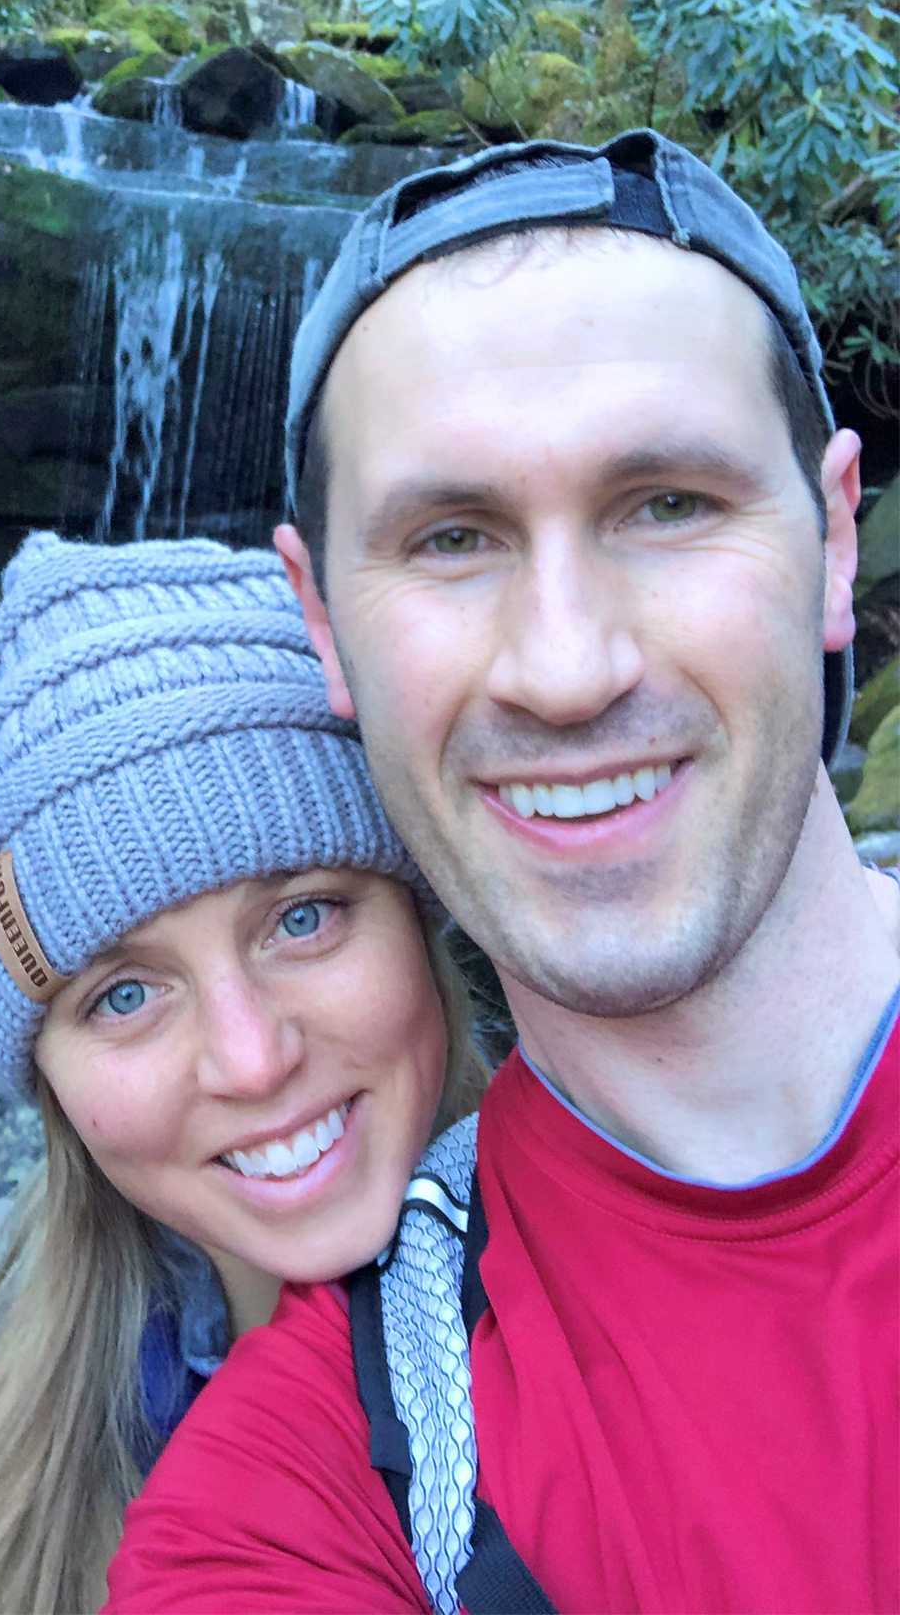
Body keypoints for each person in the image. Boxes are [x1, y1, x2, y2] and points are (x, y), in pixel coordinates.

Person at [103, 132, 900, 1611]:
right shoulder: (298, 1491)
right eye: (452, 537)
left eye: (668, 504)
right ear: (321, 621)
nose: (565, 667)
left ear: (838, 538)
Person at [0, 533, 489, 1615]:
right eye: (125, 995)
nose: (252, 1060)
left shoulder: (713, 1289)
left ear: (419, 919)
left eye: (302, 919)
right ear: (45, 1080)